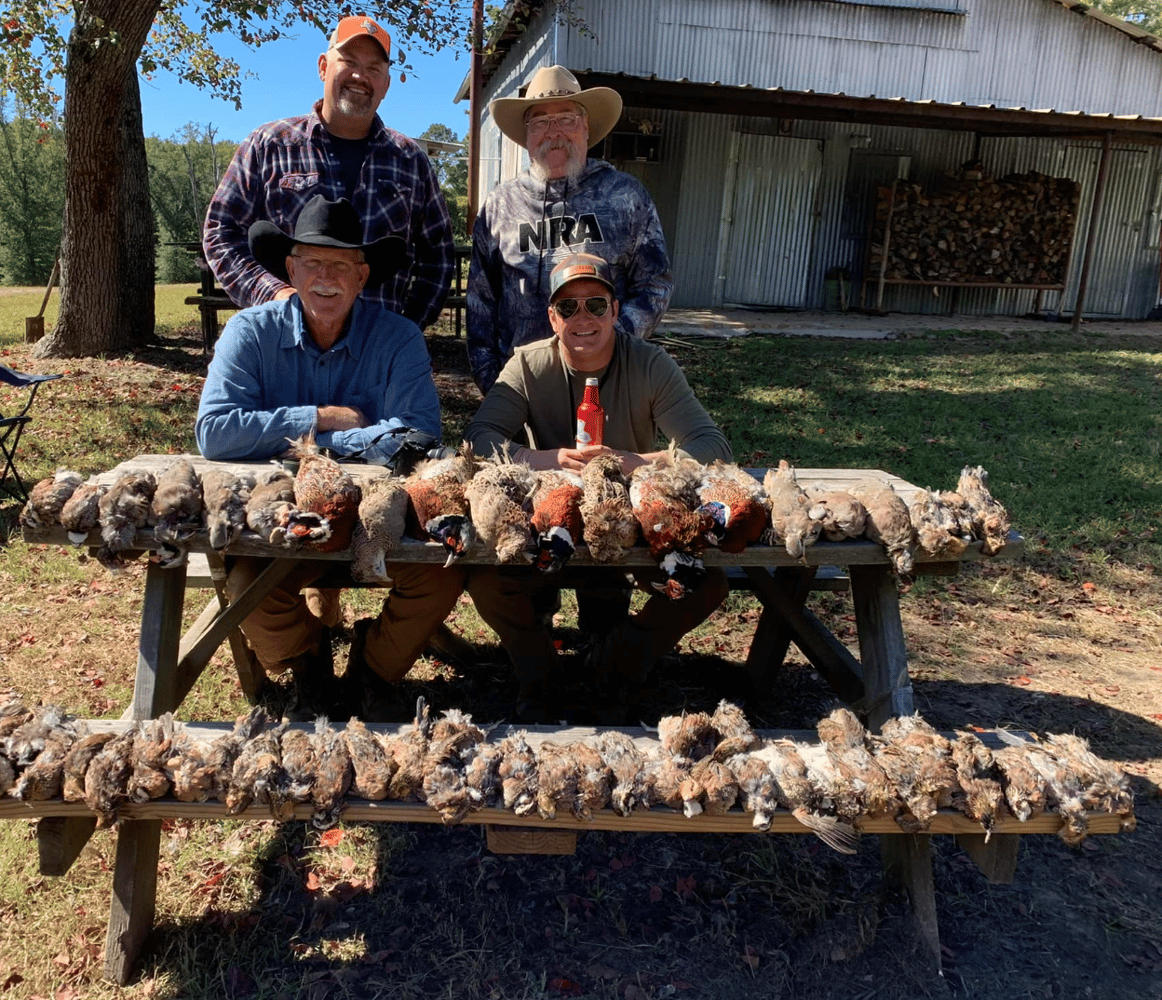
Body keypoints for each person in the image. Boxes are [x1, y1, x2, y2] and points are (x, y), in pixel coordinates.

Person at [196, 195, 464, 719]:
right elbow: (216, 432)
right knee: (248, 579)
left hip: (384, 508)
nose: (325, 277)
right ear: (290, 269)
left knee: (442, 574)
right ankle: (307, 662)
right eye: (312, 262)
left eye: (340, 264)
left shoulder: (400, 337)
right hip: (282, 511)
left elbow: (418, 434)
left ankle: (373, 668)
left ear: (362, 277)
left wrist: (308, 447)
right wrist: (321, 417)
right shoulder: (249, 332)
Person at [464, 253, 731, 722]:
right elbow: (477, 440)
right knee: (487, 578)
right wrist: (549, 459)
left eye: (595, 304)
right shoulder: (527, 365)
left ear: (615, 310)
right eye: (567, 308)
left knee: (705, 584)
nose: (582, 318)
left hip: (633, 519)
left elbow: (712, 446)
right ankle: (541, 678)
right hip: (550, 519)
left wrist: (637, 463)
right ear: (551, 317)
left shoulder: (650, 364)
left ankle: (612, 668)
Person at [203, 14, 454, 330]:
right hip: (283, 346)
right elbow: (220, 230)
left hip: (375, 355)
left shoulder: (410, 160)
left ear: (386, 85)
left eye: (374, 69)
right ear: (323, 66)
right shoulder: (268, 144)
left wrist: (404, 330)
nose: (360, 76)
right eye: (348, 61)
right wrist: (274, 294)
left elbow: (439, 257)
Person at [466, 65, 673, 395]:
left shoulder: (625, 197)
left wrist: (612, 343)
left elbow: (655, 285)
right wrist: (491, 381)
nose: (553, 132)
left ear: (586, 127)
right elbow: (480, 302)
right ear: (526, 135)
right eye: (540, 122)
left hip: (607, 384)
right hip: (519, 387)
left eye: (566, 118)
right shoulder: (500, 206)